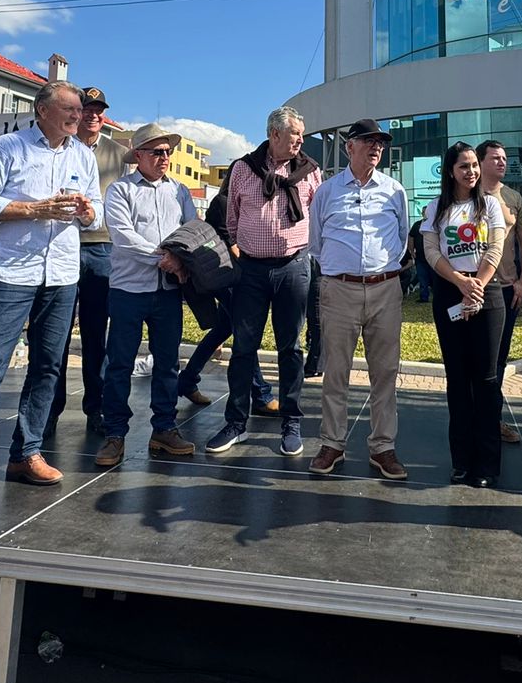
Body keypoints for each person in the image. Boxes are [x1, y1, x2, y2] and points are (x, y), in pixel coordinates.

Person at [0, 81, 104, 524]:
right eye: (69, 108)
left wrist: (89, 212)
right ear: (43, 110)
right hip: (11, 273)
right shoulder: (8, 147)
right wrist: (34, 210)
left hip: (62, 274)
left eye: (80, 109)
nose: (77, 115)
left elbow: (97, 215)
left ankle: (26, 452)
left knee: (49, 367)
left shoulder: (83, 155)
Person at [206, 106, 320, 459]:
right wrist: (239, 247)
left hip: (294, 268)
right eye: (295, 133)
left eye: (302, 133)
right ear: (274, 134)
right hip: (251, 270)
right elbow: (230, 215)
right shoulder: (243, 168)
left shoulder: (309, 172)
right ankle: (236, 423)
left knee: (291, 348)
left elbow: (319, 216)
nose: (301, 139)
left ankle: (291, 422)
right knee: (243, 348)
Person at [308, 118, 410, 480]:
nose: (376, 147)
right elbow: (316, 242)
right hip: (339, 290)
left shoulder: (395, 190)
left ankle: (383, 447)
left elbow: (401, 237)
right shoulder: (327, 191)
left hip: (385, 288)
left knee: (385, 373)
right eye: (368, 141)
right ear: (350, 147)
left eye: (380, 142)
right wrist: (344, 269)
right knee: (335, 371)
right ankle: (332, 443)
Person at [93, 122, 199, 470]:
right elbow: (123, 236)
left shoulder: (180, 192)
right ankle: (115, 433)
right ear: (138, 155)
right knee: (119, 363)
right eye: (157, 151)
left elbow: (192, 230)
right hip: (129, 289)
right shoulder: (121, 191)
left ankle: (165, 428)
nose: (164, 157)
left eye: (168, 151)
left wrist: (180, 258)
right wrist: (166, 259)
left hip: (168, 291)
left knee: (167, 363)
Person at [45, 86, 128, 440]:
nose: (93, 115)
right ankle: (49, 410)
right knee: (53, 336)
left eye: (98, 110)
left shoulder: (119, 154)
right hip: (60, 246)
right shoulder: (59, 146)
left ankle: (96, 407)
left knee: (97, 336)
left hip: (101, 248)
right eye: (87, 109)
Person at [424, 142, 508, 487]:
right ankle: (462, 460)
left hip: (487, 297)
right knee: (458, 381)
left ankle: (486, 465)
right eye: (464, 166)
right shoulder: (436, 209)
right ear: (450, 171)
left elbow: (497, 245)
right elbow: (430, 250)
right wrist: (459, 281)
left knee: (486, 381)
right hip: (449, 293)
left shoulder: (489, 204)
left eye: (474, 165)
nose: (471, 172)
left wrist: (477, 286)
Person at [176, 179, 276, 411]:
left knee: (223, 330)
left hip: (233, 276)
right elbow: (231, 245)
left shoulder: (239, 203)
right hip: (227, 277)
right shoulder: (223, 202)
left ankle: (187, 380)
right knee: (245, 332)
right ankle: (260, 394)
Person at [477, 140, 522, 445]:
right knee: (474, 359)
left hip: (507, 289)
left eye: (504, 158)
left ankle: (492, 419)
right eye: (495, 158)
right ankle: (473, 417)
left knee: (497, 360)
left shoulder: (512, 197)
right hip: (472, 288)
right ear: (480, 162)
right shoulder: (467, 195)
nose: (502, 162)